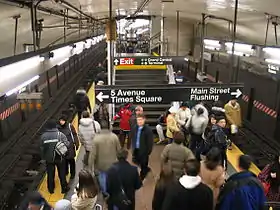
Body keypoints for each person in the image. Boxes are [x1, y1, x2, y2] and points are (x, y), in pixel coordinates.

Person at [40, 119, 70, 194]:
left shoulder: (43, 136)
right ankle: (64, 188)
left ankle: (51, 189)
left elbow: (41, 149)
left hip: (49, 159)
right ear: (55, 126)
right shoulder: (60, 134)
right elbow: (67, 144)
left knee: (50, 174)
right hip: (60, 157)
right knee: (62, 173)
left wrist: (44, 157)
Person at [88, 128, 121, 194]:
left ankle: (105, 191)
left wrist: (90, 166)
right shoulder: (114, 136)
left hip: (101, 164)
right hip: (113, 163)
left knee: (102, 177)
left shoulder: (96, 139)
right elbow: (119, 150)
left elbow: (92, 155)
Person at [131, 114, 154, 181]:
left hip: (144, 152)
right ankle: (147, 169)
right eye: (138, 120)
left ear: (144, 120)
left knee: (143, 165)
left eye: (141, 120)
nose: (139, 121)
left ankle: (141, 178)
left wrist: (148, 152)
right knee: (137, 162)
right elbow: (133, 138)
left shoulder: (148, 130)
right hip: (136, 150)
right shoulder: (135, 128)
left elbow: (150, 142)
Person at [58, 115, 80, 179]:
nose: (61, 122)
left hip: (70, 146)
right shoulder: (58, 128)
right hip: (62, 147)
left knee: (71, 161)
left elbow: (74, 135)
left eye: (63, 120)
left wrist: (76, 143)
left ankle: (72, 173)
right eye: (60, 120)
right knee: (64, 161)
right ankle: (66, 172)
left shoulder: (70, 126)